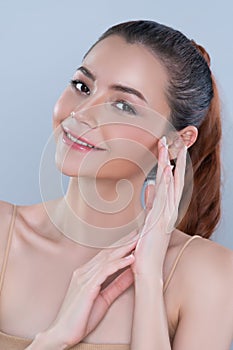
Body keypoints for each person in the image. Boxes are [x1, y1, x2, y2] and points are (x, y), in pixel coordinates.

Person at [0, 20, 232, 350]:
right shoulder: (4, 236)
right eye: (83, 87)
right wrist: (55, 338)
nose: (82, 113)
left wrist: (149, 279)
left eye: (123, 105)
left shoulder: (208, 273)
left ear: (178, 141)